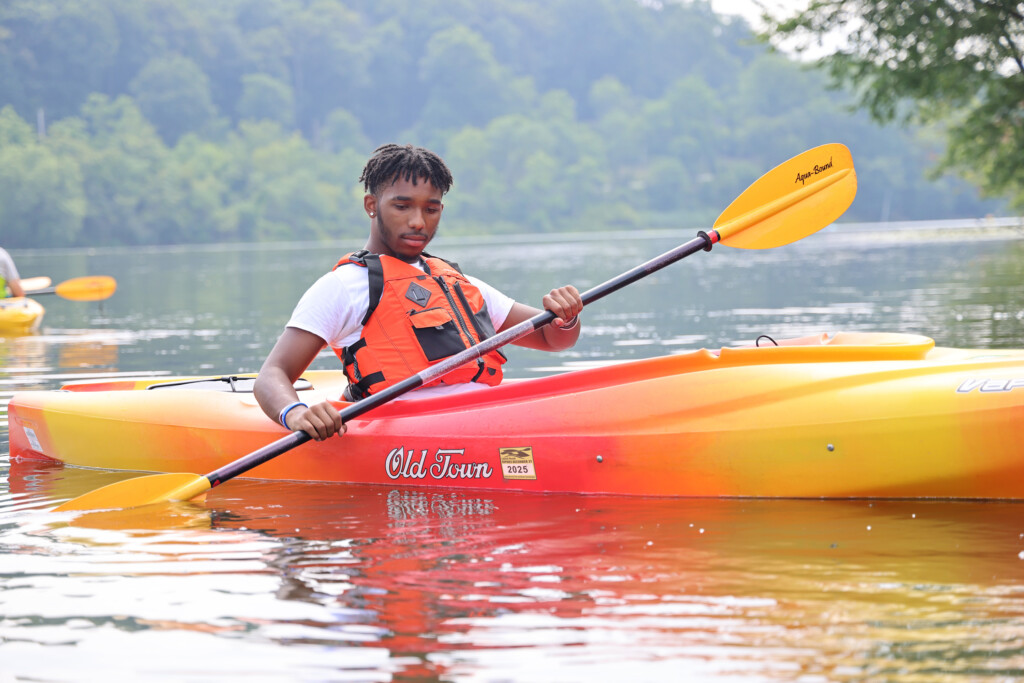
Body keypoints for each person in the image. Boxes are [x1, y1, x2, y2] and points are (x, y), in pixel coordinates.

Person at [254, 143, 584, 441]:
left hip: (483, 416)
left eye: (431, 209)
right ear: (372, 205)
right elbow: (272, 375)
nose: (418, 222)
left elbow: (550, 340)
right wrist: (295, 413)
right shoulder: (344, 286)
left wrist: (564, 318)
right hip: (404, 430)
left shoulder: (458, 282)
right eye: (402, 206)